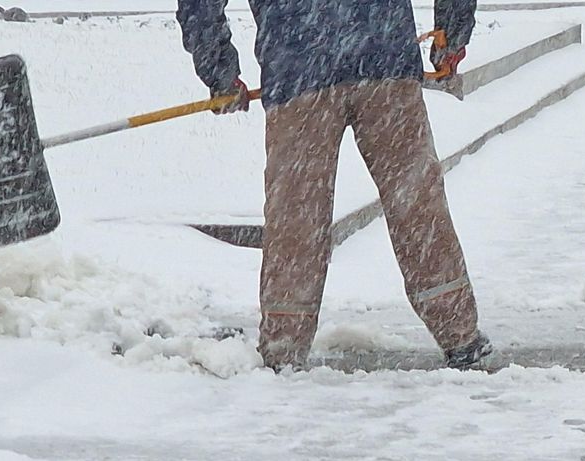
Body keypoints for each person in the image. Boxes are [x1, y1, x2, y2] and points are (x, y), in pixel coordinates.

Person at [177, 0, 493, 371]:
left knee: (296, 218)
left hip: (299, 66)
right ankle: (460, 337)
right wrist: (450, 39)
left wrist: (219, 72)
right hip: (384, 57)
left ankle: (284, 350)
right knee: (416, 204)